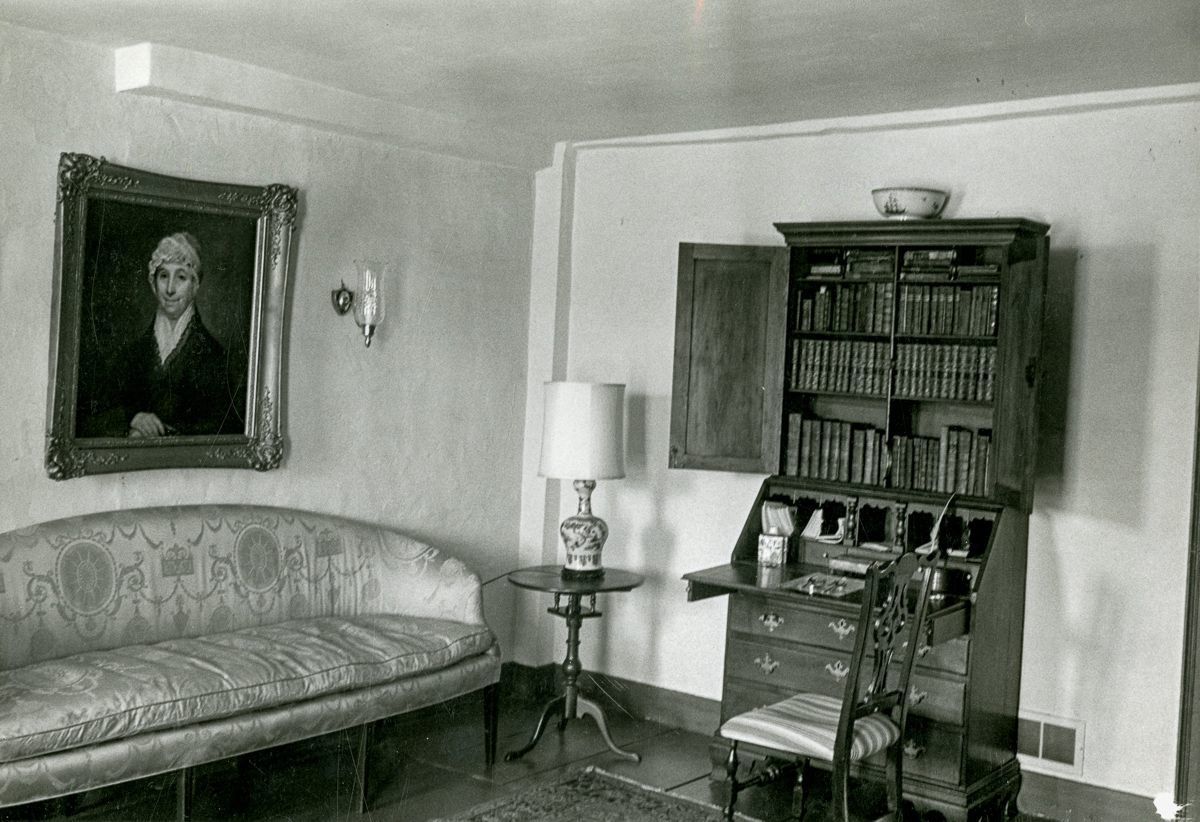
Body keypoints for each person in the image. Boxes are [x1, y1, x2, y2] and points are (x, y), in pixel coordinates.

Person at [92, 232, 241, 437]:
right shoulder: (132, 354)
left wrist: (159, 432)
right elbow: (95, 412)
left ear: (195, 285)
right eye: (163, 276)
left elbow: (224, 429)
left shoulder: (215, 356)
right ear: (153, 282)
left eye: (181, 277)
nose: (170, 289)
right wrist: (132, 418)